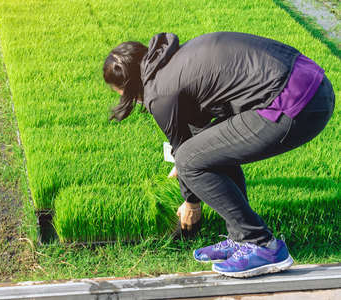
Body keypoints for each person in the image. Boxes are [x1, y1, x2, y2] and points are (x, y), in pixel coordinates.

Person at [102, 32, 335, 278]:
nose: (134, 101)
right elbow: (199, 139)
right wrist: (187, 158)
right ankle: (240, 238)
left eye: (126, 96)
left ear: (130, 88)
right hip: (313, 82)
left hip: (295, 103)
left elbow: (185, 155)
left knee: (190, 161)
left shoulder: (160, 93)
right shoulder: (170, 59)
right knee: (202, 153)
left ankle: (261, 244)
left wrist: (191, 202)